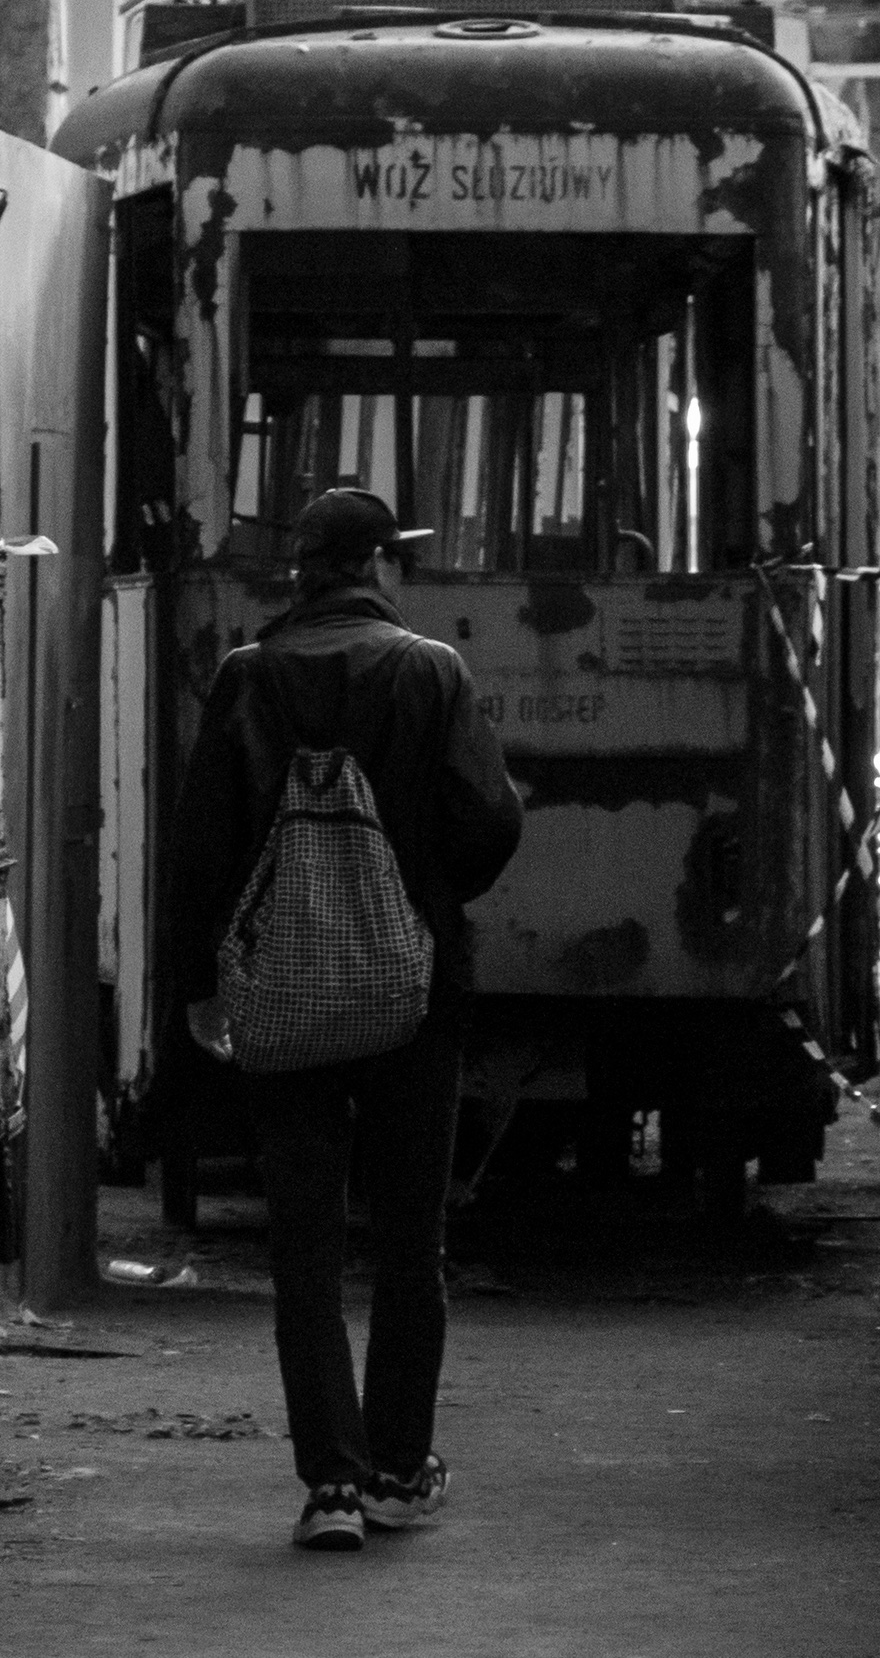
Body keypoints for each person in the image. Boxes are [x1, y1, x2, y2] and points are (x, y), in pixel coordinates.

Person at [167, 484, 526, 1554]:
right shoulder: (430, 672)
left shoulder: (244, 680)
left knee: (306, 1248)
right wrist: (420, 897)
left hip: (281, 997)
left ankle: (328, 1484)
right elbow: (489, 826)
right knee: (411, 1241)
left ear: (303, 574)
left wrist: (201, 986)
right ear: (378, 567)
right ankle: (400, 1473)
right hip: (414, 996)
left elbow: (200, 851)